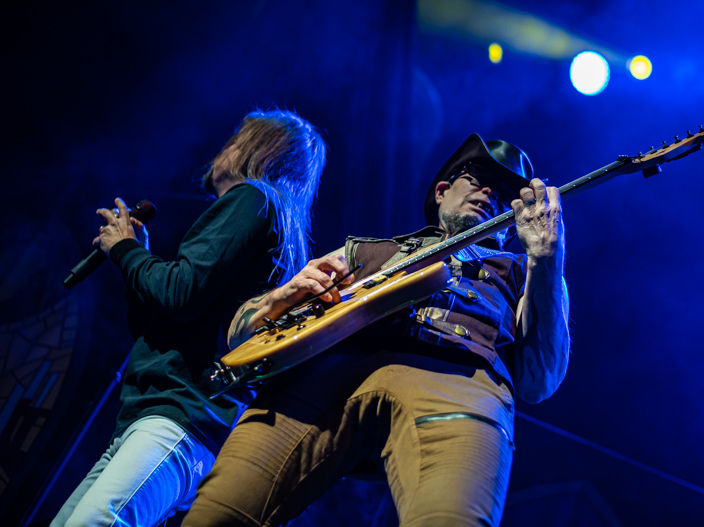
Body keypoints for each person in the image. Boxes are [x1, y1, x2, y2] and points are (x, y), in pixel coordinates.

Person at [183, 134, 571, 526]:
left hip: (456, 375)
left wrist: (547, 257)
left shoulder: (528, 271)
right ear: (442, 191)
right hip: (326, 375)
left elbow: (538, 380)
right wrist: (278, 298)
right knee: (215, 516)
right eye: (478, 176)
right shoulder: (363, 252)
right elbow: (238, 336)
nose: (492, 191)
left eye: (508, 191)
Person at [52, 109, 327, 527]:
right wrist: (136, 259)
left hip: (178, 416)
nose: (226, 147)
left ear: (263, 151)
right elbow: (160, 324)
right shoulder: (277, 225)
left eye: (239, 138)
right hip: (163, 418)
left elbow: (180, 294)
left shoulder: (253, 197)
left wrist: (127, 251)